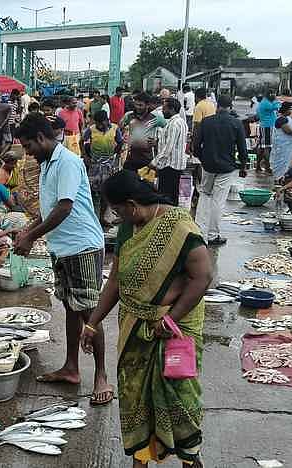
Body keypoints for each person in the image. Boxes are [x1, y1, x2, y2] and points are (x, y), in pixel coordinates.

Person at [81, 169, 211, 467]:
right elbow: (115, 280)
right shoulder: (130, 228)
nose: (116, 217)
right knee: (135, 394)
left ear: (132, 204)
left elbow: (202, 277)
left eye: (117, 210)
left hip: (174, 329)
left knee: (180, 395)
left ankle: (190, 458)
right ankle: (141, 458)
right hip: (135, 326)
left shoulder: (180, 227)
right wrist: (93, 321)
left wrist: (171, 319)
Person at [12, 113, 113, 406]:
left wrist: (32, 237)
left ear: (42, 139)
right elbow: (49, 209)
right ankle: (71, 368)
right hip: (62, 248)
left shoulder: (67, 162)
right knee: (71, 307)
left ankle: (101, 376)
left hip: (81, 246)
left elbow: (65, 208)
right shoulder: (46, 164)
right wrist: (28, 231)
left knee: (89, 313)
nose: (27, 152)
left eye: (29, 146)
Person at [192, 95, 249, 246]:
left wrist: (203, 159)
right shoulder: (236, 123)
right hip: (226, 167)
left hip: (208, 166)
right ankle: (212, 235)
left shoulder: (206, 122)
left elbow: (196, 145)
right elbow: (243, 149)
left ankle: (198, 232)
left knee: (204, 195)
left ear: (217, 106)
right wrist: (243, 166)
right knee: (218, 201)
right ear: (230, 107)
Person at [82, 110, 124, 225]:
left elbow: (120, 142)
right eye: (97, 123)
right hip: (94, 165)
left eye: (101, 123)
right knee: (91, 191)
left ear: (106, 121)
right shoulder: (91, 129)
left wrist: (115, 155)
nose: (99, 126)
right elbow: (82, 141)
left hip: (108, 165)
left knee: (105, 191)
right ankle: (91, 218)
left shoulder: (115, 129)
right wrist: (85, 156)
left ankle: (102, 217)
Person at [151, 98, 188, 205]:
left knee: (166, 197)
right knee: (172, 195)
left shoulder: (174, 124)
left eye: (164, 109)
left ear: (171, 109)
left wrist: (154, 162)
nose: (162, 111)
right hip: (174, 165)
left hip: (170, 166)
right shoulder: (180, 122)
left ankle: (167, 217)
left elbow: (168, 148)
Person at [120, 93, 165, 172]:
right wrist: (123, 137)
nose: (137, 107)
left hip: (147, 160)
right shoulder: (129, 116)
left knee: (145, 184)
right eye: (136, 104)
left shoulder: (156, 118)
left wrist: (157, 141)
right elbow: (118, 128)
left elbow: (168, 131)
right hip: (131, 158)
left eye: (140, 105)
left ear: (147, 105)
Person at [256, 92, 281, 171]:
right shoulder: (266, 103)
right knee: (267, 146)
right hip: (268, 126)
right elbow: (277, 106)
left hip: (265, 126)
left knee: (262, 146)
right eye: (273, 94)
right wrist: (276, 99)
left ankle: (258, 165)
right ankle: (267, 166)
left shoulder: (264, 102)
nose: (274, 95)